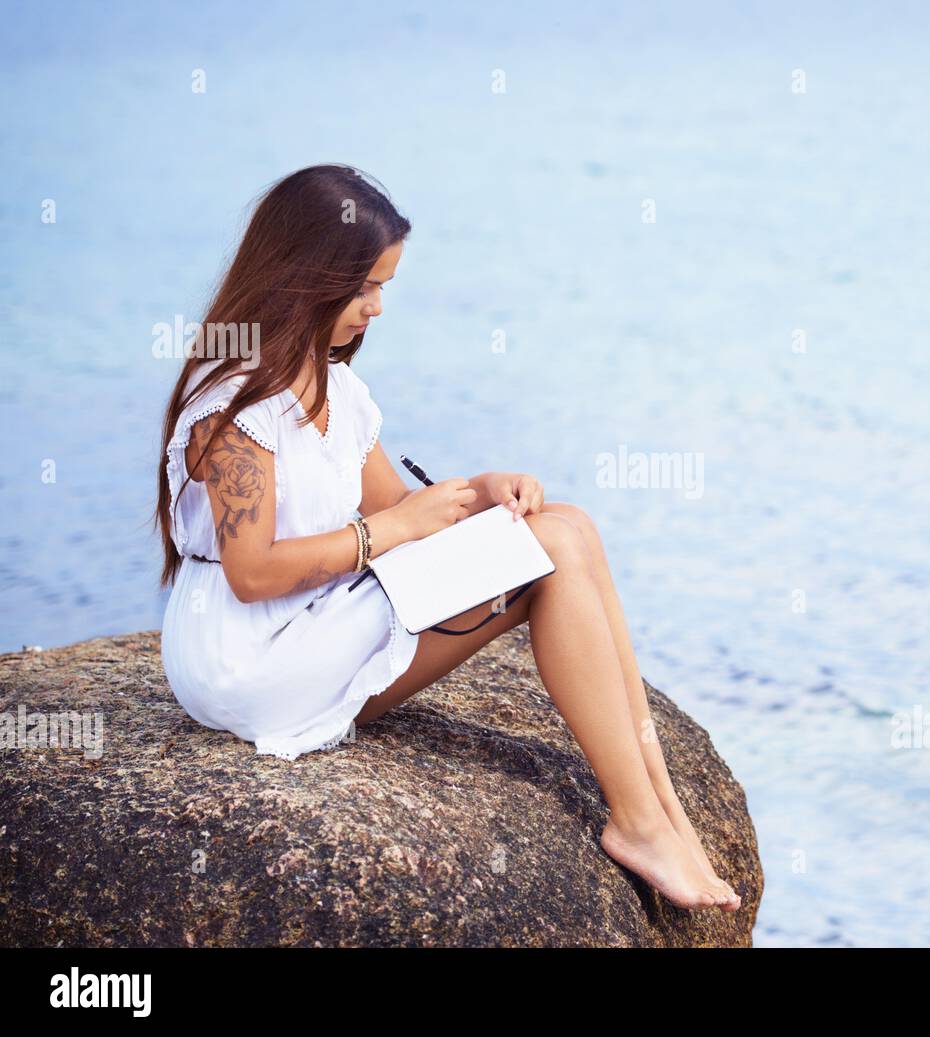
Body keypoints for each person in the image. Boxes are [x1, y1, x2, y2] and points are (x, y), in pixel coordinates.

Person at [154, 164, 739, 912]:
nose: (377, 307)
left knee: (568, 525)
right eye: (366, 287)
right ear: (308, 278)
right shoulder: (235, 399)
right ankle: (635, 820)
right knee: (550, 552)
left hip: (316, 615)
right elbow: (254, 572)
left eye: (384, 288)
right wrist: (389, 529)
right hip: (248, 654)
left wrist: (485, 491)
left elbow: (401, 509)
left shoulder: (335, 386)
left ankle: (657, 800)